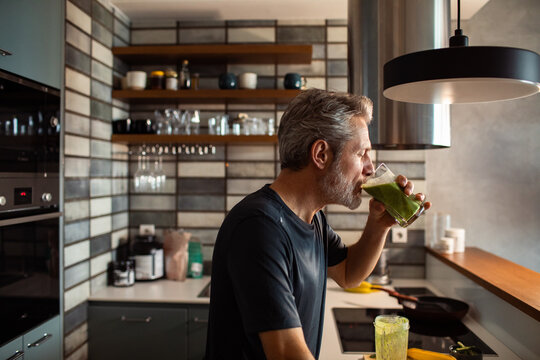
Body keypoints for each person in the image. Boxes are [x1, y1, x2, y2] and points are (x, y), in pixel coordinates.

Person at [205, 88, 430, 359]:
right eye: (361, 154)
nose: (370, 168)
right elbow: (287, 352)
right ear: (321, 154)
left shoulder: (313, 218)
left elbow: (348, 274)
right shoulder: (259, 227)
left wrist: (379, 225)